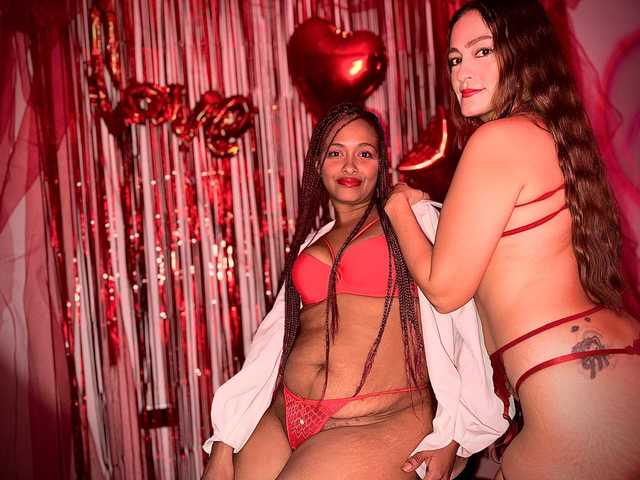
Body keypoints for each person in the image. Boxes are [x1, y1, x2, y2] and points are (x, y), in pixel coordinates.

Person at [385, 1, 640, 479]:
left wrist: (398, 206)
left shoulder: (498, 140)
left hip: (576, 393)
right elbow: (488, 317)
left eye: (482, 51)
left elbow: (445, 289)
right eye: (455, 58)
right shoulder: (550, 135)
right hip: (605, 368)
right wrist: (458, 435)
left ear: (521, 53)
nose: (463, 72)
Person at [201, 103, 507, 480]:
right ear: (318, 163)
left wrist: (456, 433)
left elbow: (466, 324)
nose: (350, 166)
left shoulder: (415, 219)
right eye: (336, 153)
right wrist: (224, 442)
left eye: (364, 154)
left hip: (378, 417)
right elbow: (269, 345)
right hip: (282, 414)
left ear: (380, 165)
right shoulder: (311, 244)